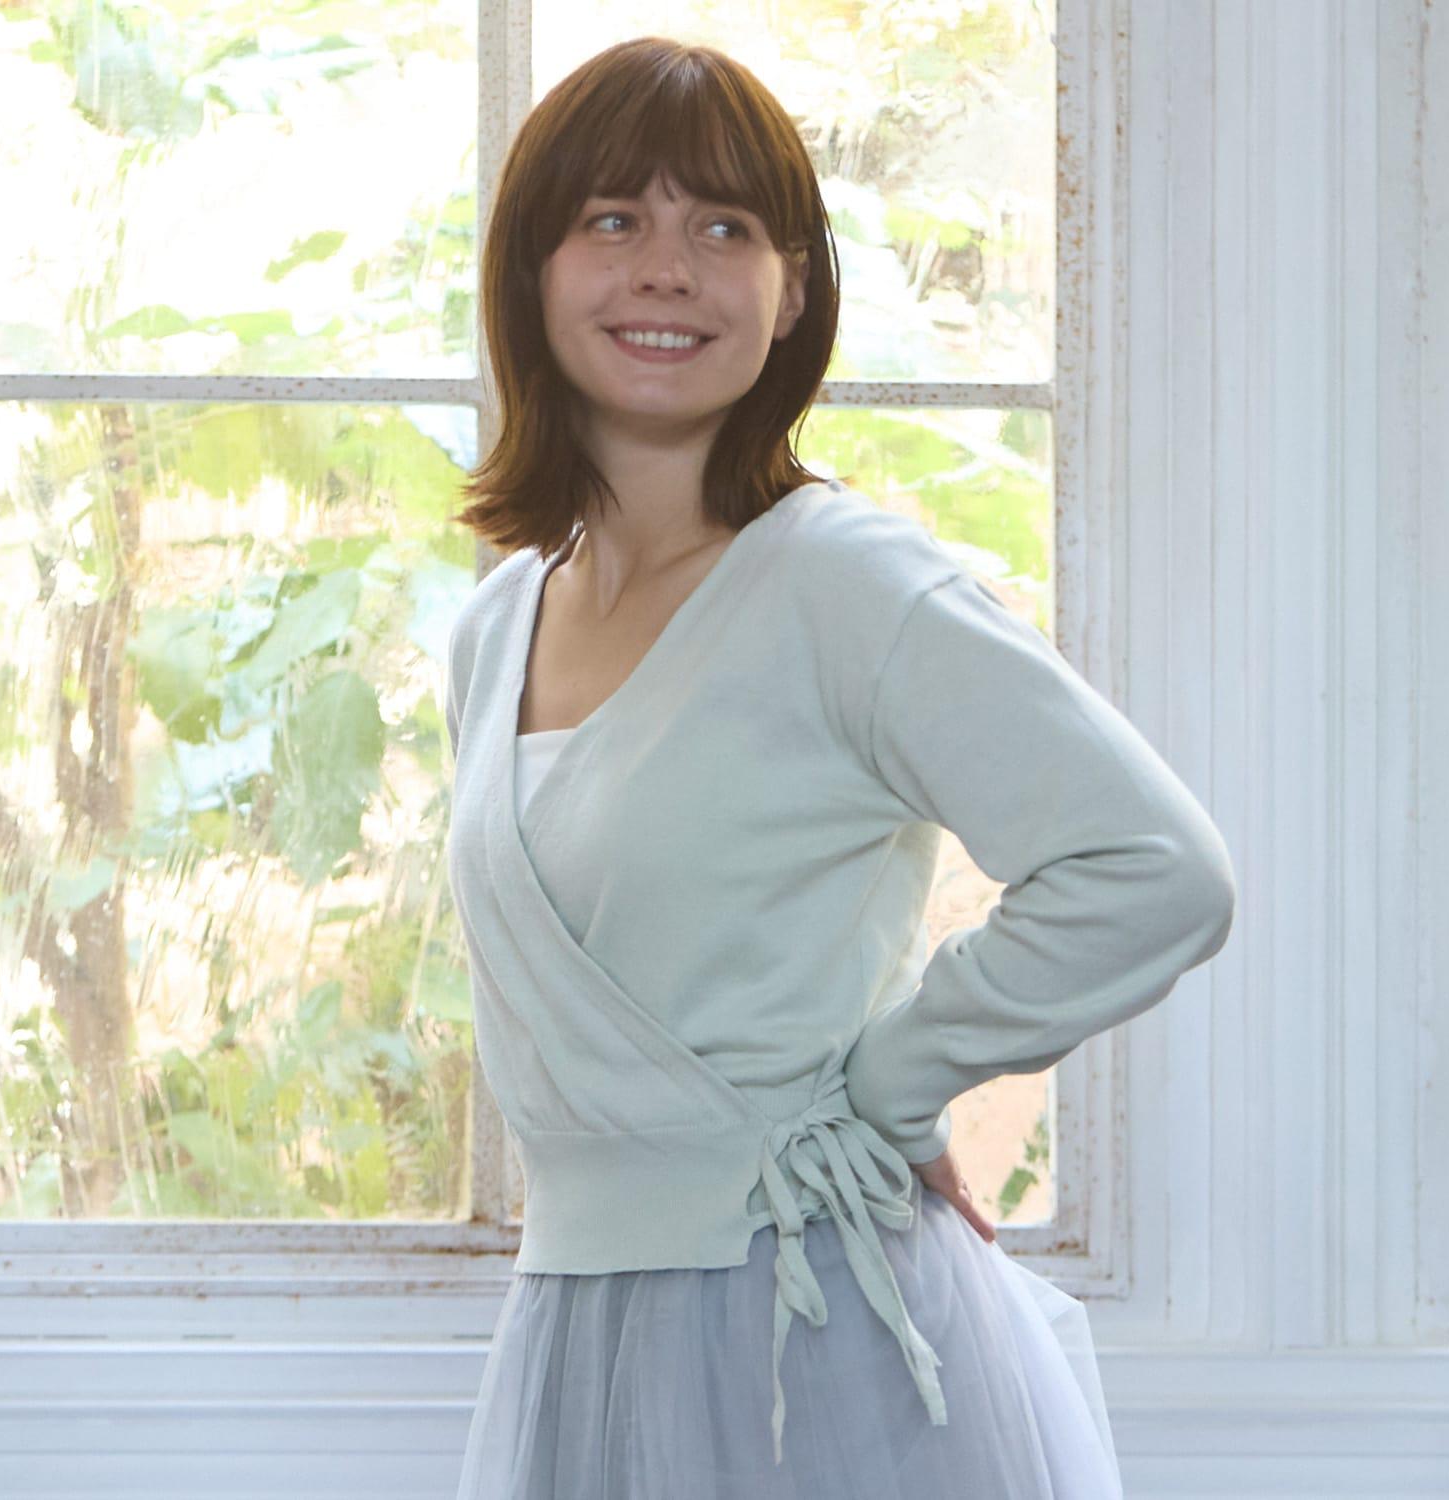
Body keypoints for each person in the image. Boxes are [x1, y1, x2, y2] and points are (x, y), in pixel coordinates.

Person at [443, 35, 1235, 1500]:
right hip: (574, 1343)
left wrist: (893, 1083)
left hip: (809, 1338)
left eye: (723, 227)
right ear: (531, 272)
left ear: (793, 288)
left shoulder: (846, 584)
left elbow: (1157, 870)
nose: (666, 268)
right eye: (613, 219)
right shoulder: (496, 630)